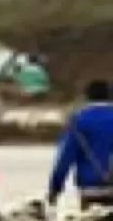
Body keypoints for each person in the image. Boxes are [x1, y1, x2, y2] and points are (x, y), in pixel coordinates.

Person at [48, 80, 113, 212]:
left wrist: (55, 189)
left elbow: (65, 158)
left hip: (91, 189)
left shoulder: (78, 121)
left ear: (87, 97)